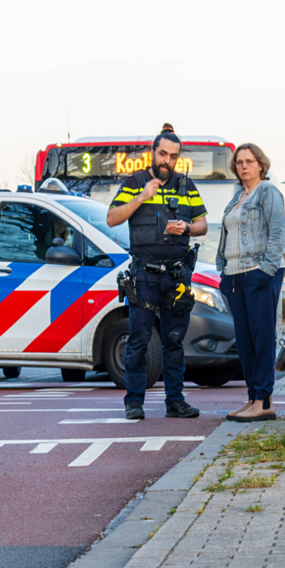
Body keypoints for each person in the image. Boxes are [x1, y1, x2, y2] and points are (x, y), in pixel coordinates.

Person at [107, 124, 207, 420]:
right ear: (153, 152)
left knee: (174, 340)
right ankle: (134, 402)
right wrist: (141, 197)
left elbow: (203, 224)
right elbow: (112, 217)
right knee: (138, 338)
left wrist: (188, 227)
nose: (167, 160)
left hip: (176, 276)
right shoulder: (135, 181)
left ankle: (175, 401)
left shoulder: (186, 186)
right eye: (162, 153)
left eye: (173, 156)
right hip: (144, 276)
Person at [215, 144, 285, 422]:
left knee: (262, 337)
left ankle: (265, 401)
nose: (244, 166)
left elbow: (278, 232)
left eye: (249, 161)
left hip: (259, 272)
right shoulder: (236, 197)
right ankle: (252, 397)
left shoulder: (267, 192)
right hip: (234, 275)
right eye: (240, 162)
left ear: (260, 165)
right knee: (244, 342)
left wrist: (265, 270)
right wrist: (223, 272)